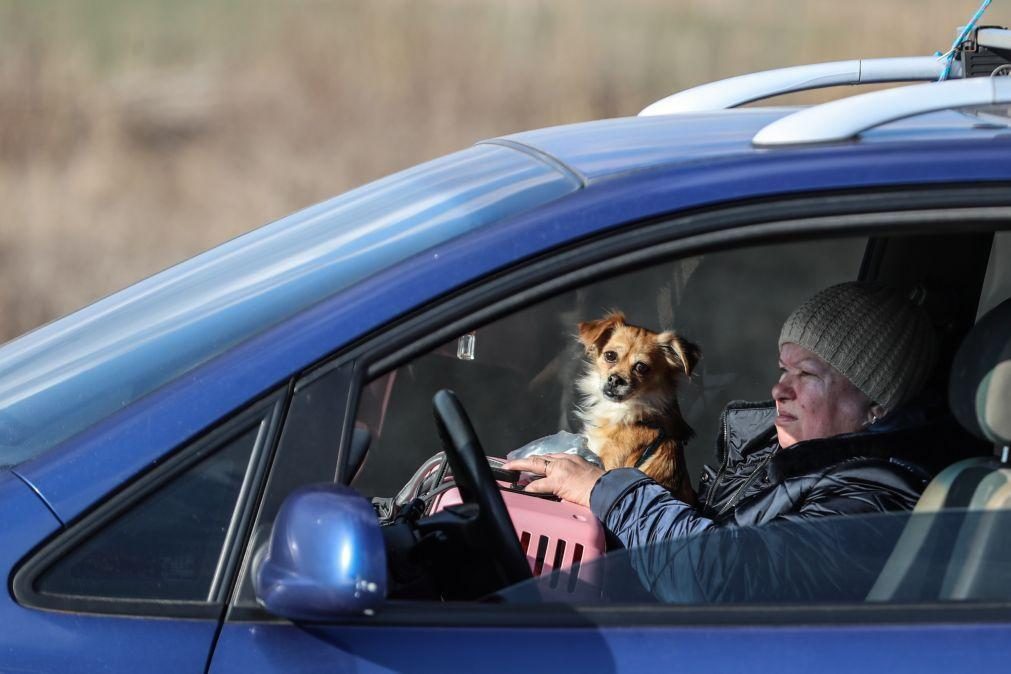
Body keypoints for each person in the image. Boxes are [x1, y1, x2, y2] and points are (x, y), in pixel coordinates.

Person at [503, 282, 981, 602]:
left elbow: (720, 574)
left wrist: (603, 488)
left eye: (808, 375)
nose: (779, 389)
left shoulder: (873, 500)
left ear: (876, 401)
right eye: (783, 369)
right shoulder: (783, 453)